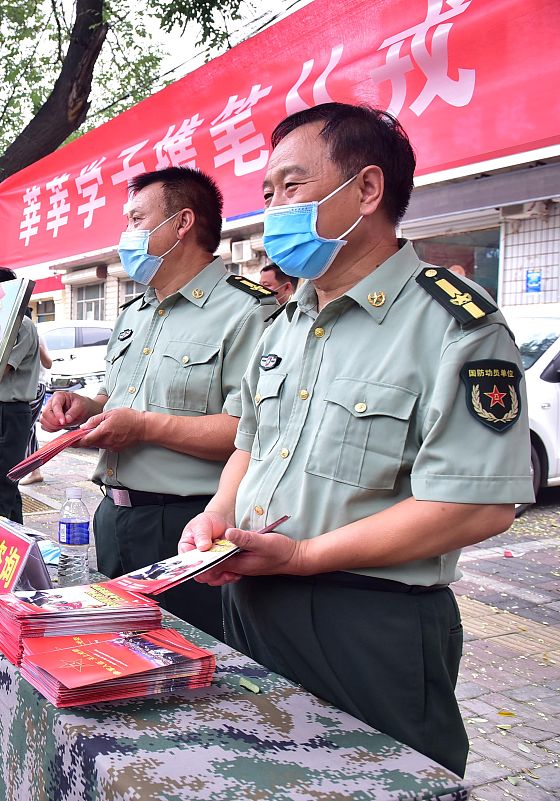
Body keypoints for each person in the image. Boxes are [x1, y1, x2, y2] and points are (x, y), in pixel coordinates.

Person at [180, 103, 532, 776]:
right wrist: (218, 516)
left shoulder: (454, 326)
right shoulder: (286, 323)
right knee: (257, 779)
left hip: (369, 622)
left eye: (291, 186)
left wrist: (304, 555)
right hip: (253, 601)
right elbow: (251, 443)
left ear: (367, 189)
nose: (273, 210)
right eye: (267, 194)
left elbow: (478, 504)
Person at [41, 167, 275, 640]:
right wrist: (83, 407)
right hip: (113, 515)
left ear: (182, 222)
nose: (126, 234)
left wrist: (145, 427)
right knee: (113, 653)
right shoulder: (135, 312)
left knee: (185, 661)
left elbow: (250, 432)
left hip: (190, 526)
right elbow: (114, 396)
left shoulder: (248, 311)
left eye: (136, 219)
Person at [0, 267, 41, 523]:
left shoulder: (20, 324)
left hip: (5, 413)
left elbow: (0, 370)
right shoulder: (1, 322)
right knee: (1, 489)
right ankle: (15, 542)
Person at [18, 335, 53, 486]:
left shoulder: (33, 334)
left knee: (25, 427)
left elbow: (48, 363)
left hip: (35, 386)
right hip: (22, 387)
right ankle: (34, 471)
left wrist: (33, 344)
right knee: (27, 428)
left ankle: (34, 470)